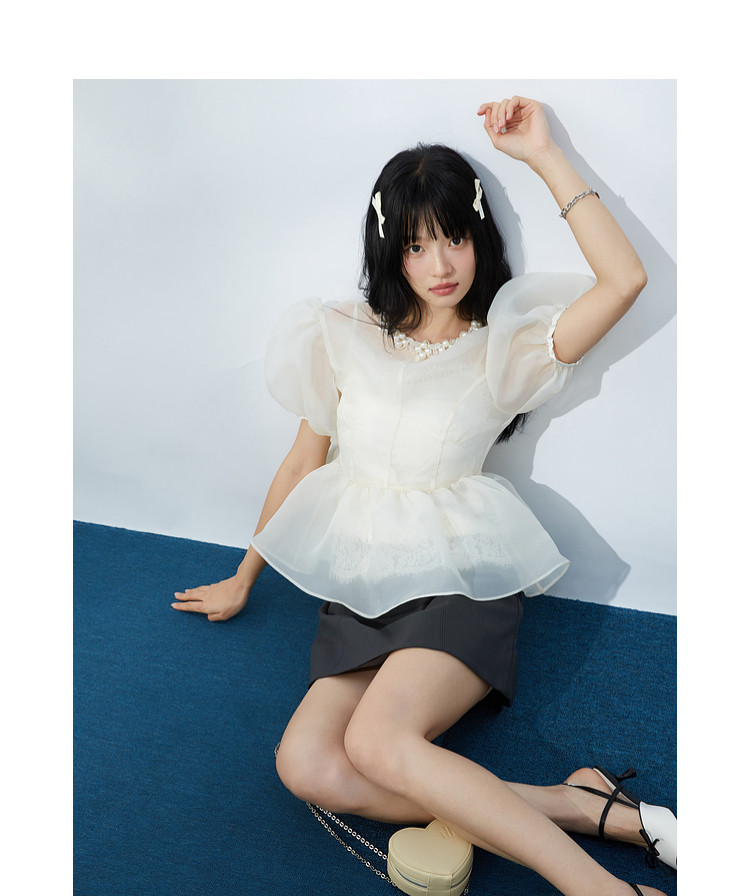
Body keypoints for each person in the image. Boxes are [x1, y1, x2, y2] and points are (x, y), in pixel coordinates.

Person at [172, 95, 675, 896]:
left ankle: (602, 889)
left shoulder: (505, 346)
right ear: (391, 252)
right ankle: (578, 805)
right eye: (415, 245)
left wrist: (542, 153)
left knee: (376, 744)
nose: (440, 264)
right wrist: (243, 577)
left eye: (454, 237)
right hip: (363, 583)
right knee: (305, 765)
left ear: (478, 237)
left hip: (460, 579)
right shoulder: (343, 333)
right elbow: (303, 462)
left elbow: (626, 280)